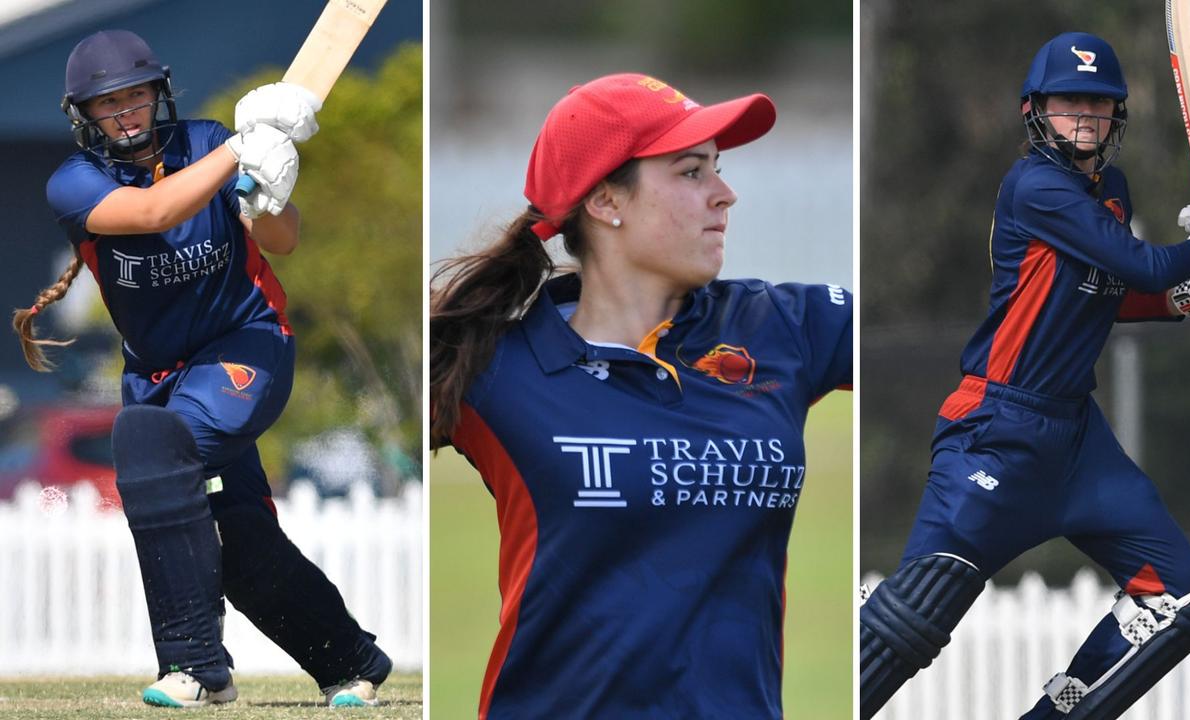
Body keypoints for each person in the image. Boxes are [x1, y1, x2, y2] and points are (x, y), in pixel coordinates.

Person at [859, 32, 1190, 719]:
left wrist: (1187, 294)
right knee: (912, 622)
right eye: (1069, 102)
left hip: (1078, 442)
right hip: (996, 430)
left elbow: (1110, 288)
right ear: (1036, 110)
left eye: (1100, 104)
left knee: (1177, 595)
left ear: (1117, 116)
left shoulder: (1110, 190)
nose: (1085, 116)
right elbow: (1139, 264)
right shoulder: (1035, 187)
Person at [430, 73, 852, 719]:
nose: (725, 194)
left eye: (717, 167)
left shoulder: (789, 326)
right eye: (690, 172)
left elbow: (982, 340)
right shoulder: (491, 370)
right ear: (605, 201)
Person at [18, 29, 392, 708]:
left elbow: (284, 238)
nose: (127, 114)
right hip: (160, 371)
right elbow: (156, 210)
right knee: (242, 547)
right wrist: (240, 151)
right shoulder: (74, 182)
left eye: (137, 96)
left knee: (146, 441)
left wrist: (268, 195)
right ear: (84, 116)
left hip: (247, 345)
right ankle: (353, 662)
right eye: (109, 104)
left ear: (158, 96)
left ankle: (196, 667)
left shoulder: (210, 140)